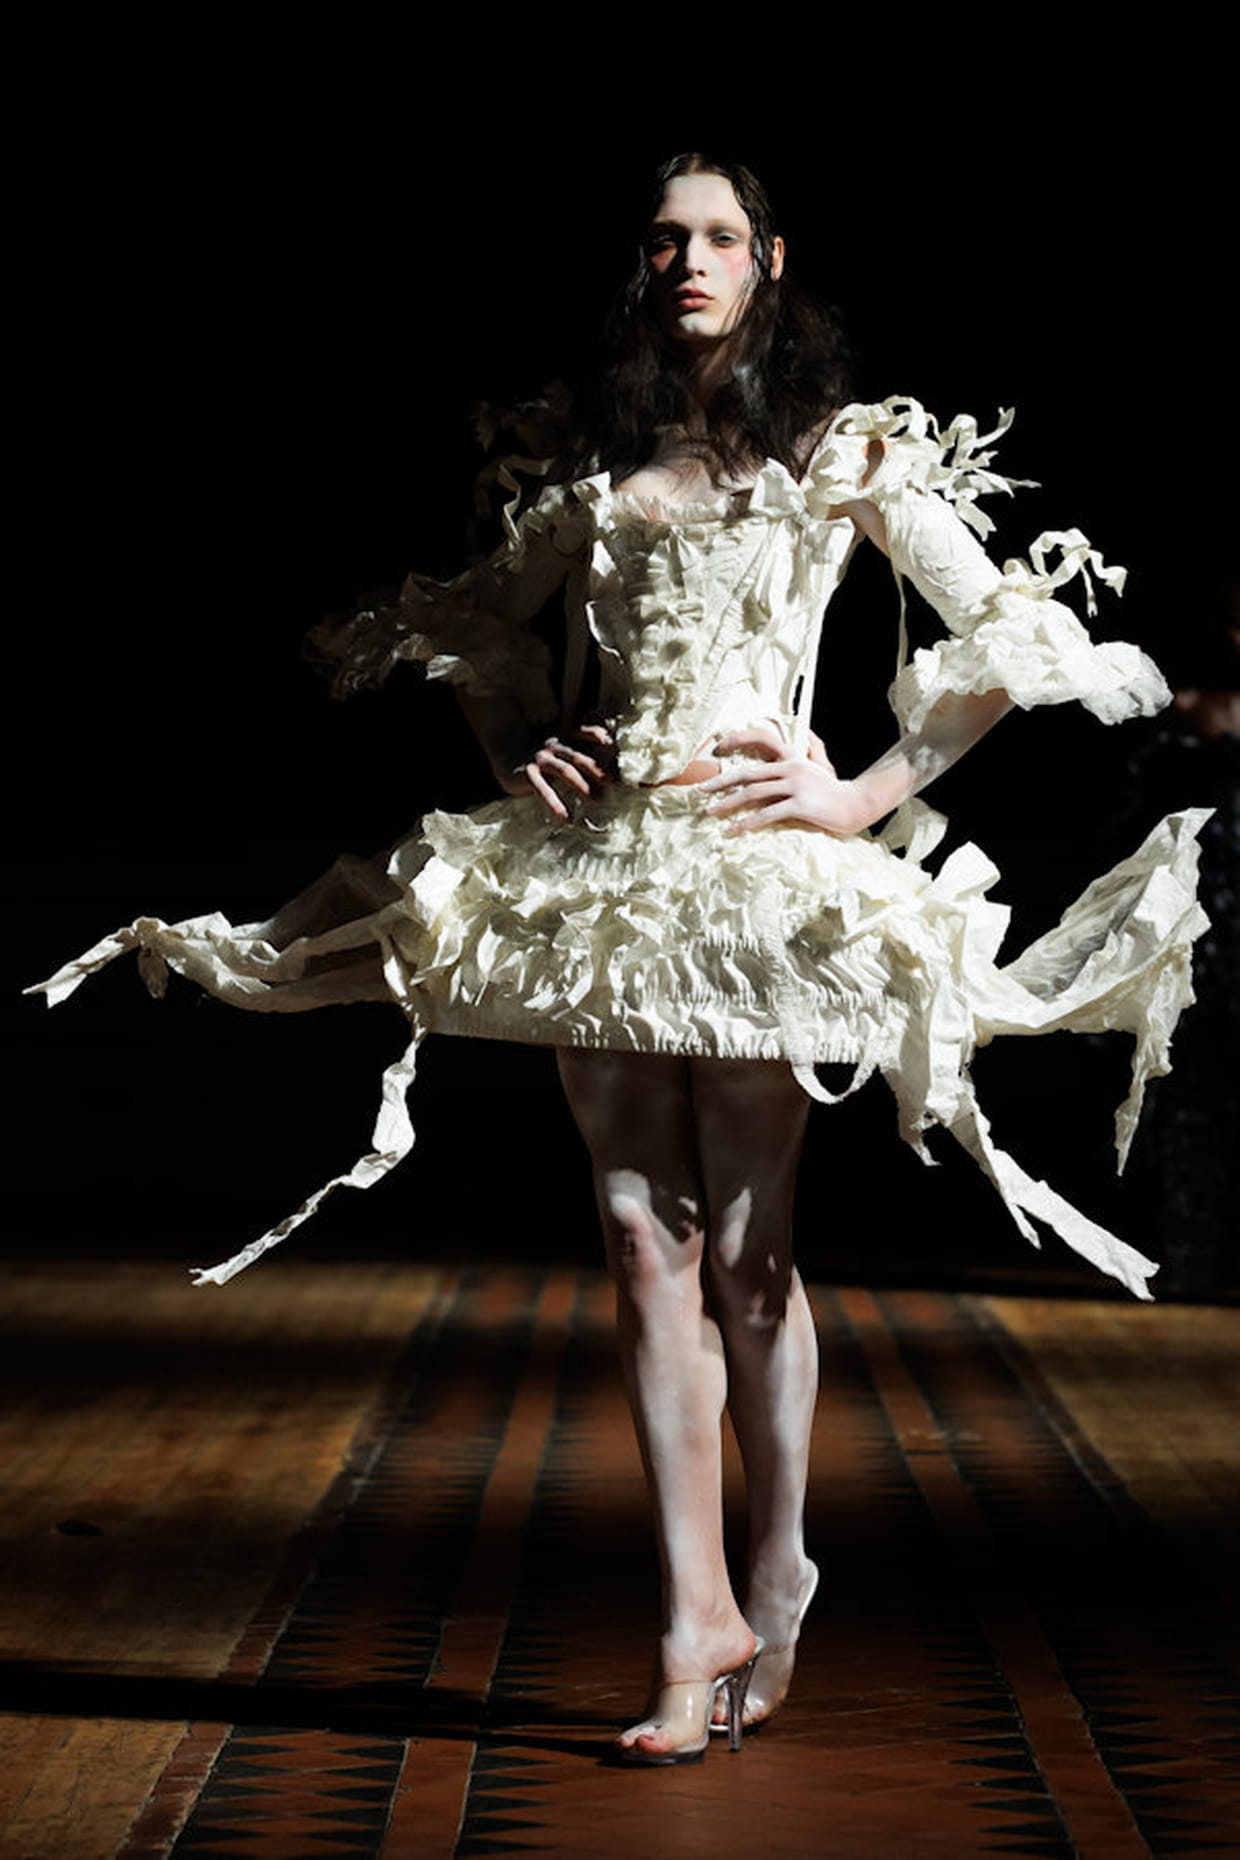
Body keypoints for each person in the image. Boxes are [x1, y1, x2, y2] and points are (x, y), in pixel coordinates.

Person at [31, 154, 1209, 1764]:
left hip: (762, 881)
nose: (689, 262)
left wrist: (862, 792)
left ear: (772, 259)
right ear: (641, 264)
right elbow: (476, 628)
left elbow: (1009, 625)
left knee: (750, 1246)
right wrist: (524, 742)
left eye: (719, 237)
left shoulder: (837, 449)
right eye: (665, 239)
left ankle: (778, 1557)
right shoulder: (591, 457)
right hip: (605, 879)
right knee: (644, 1237)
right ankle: (690, 1613)